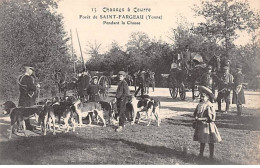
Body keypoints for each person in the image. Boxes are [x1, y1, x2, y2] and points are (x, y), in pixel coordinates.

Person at [193, 86, 222, 159]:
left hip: (208, 126)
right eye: (201, 97)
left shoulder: (209, 106)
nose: (201, 98)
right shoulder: (200, 105)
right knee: (202, 140)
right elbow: (195, 113)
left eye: (203, 97)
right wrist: (196, 119)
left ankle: (211, 155)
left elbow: (211, 118)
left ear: (208, 98)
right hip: (201, 125)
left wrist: (200, 119)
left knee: (210, 141)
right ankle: (201, 154)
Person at [17, 64, 40, 130]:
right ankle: (27, 126)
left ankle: (21, 126)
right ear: (28, 69)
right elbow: (31, 87)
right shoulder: (29, 78)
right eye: (32, 70)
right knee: (27, 112)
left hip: (22, 96)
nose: (32, 72)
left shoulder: (20, 77)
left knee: (21, 111)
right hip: (27, 98)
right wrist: (37, 86)